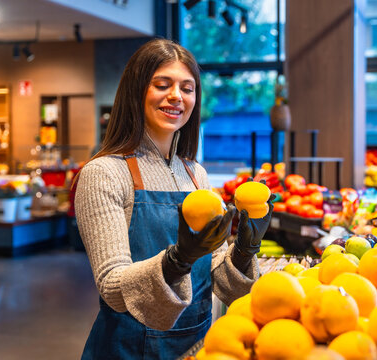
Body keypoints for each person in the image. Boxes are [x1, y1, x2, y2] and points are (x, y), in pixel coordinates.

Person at [75, 38, 273, 359]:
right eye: (162, 85)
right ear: (136, 90)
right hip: (129, 347)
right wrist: (175, 261)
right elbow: (112, 287)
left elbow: (220, 280)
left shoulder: (197, 174)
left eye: (187, 88)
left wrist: (243, 251)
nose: (176, 97)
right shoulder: (104, 173)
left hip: (198, 341)